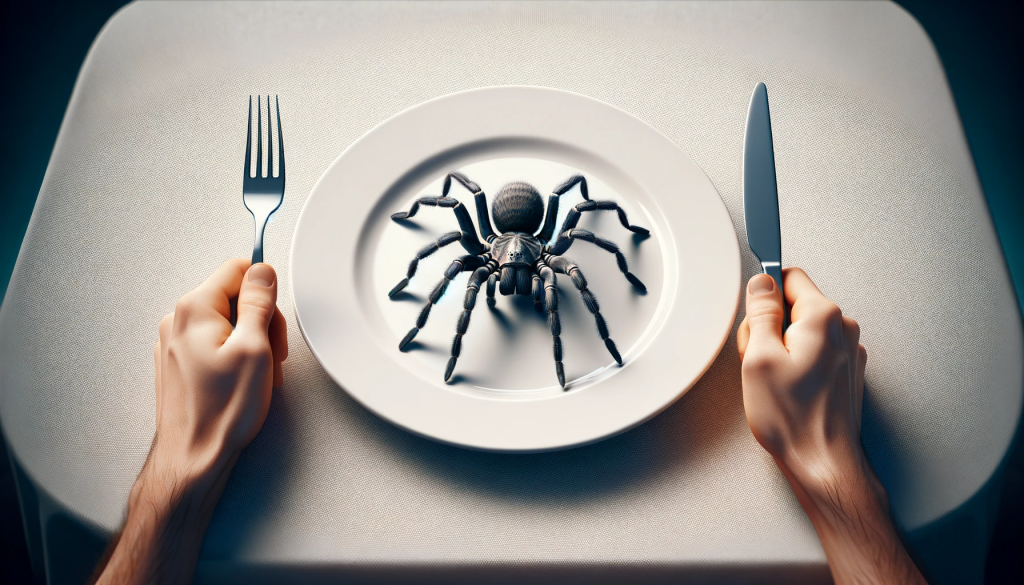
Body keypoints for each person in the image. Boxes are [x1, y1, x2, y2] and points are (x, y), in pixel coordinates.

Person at [92, 260, 927, 584]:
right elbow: (435, 259)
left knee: (584, 293)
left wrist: (178, 464)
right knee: (452, 282)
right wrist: (835, 468)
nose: (526, 277)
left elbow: (584, 283)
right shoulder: (482, 250)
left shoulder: (551, 256)